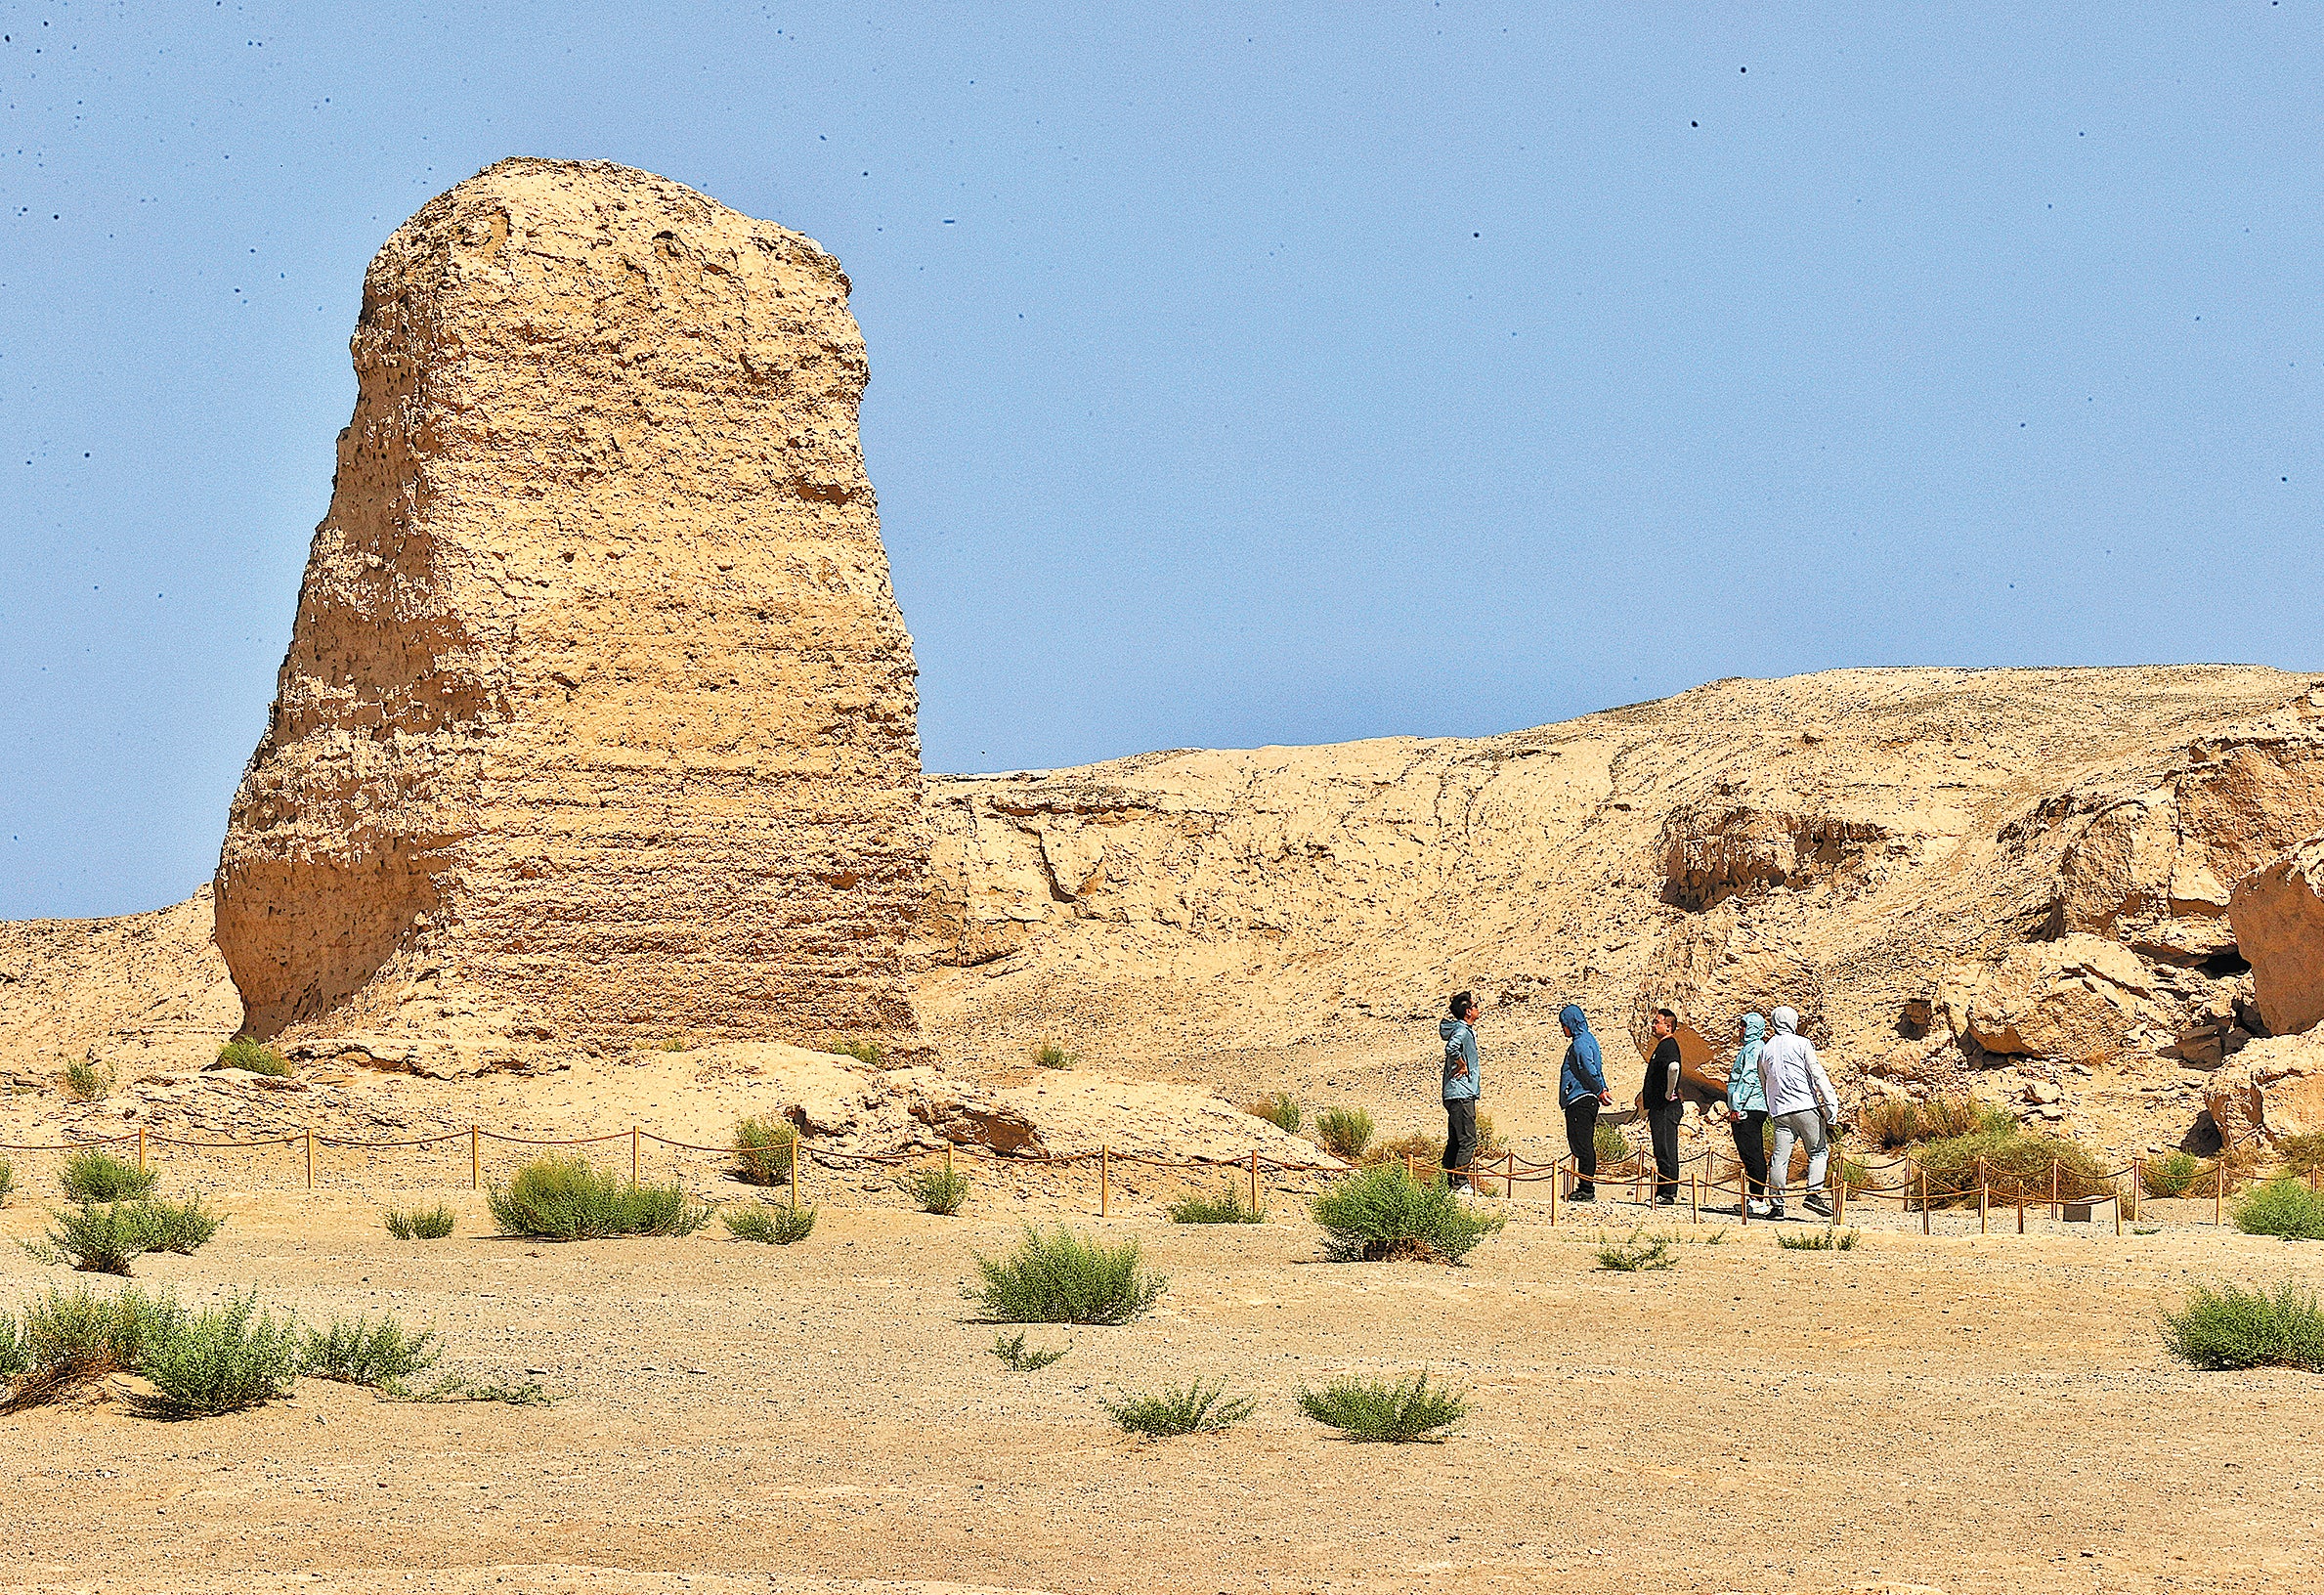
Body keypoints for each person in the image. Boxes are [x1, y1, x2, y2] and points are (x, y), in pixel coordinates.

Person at [1757, 1006, 1838, 1220]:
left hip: (1780, 1111)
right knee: (1819, 1151)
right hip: (1805, 1106)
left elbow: (1764, 1082)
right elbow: (1817, 1074)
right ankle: (1813, 1193)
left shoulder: (1765, 1050)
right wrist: (1831, 1104)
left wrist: (1772, 1108)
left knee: (1779, 1158)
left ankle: (1777, 1206)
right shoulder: (1802, 1043)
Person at [1557, 1003, 1614, 1202]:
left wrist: (1599, 1089)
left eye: (1564, 1024)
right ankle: (1584, 1187)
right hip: (1584, 1099)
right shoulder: (1589, 1040)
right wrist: (1602, 1088)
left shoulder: (1580, 1043)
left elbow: (1588, 1067)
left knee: (1583, 1145)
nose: (1563, 1029)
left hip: (1580, 1099)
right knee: (1581, 1144)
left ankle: (1586, 1189)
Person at [1725, 1012, 1773, 1218]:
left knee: (1752, 1152)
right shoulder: (1750, 1048)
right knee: (1748, 1152)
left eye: (1744, 1026)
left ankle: (1757, 1199)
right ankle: (1755, 1197)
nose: (1740, 1030)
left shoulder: (1754, 1049)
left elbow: (1748, 1078)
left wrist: (1737, 1105)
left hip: (1749, 1106)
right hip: (1749, 1105)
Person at [1641, 1007, 1685, 1204]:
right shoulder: (1663, 1046)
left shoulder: (1669, 1046)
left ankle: (1668, 1193)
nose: (1653, 1025)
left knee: (1666, 1149)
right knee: (1661, 1149)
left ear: (1668, 1027)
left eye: (1657, 1022)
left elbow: (1674, 1068)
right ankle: (1663, 1190)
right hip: (1659, 1107)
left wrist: (1669, 1092)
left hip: (1666, 1107)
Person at [1440, 991, 1482, 1191]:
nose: (1477, 1008)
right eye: (1475, 1005)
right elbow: (1451, 1048)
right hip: (1461, 1092)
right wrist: (1461, 1063)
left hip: (1456, 1093)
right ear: (1467, 1011)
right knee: (1468, 1139)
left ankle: (1447, 1181)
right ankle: (1460, 1183)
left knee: (1456, 1139)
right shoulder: (1463, 1031)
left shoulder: (1462, 1029)